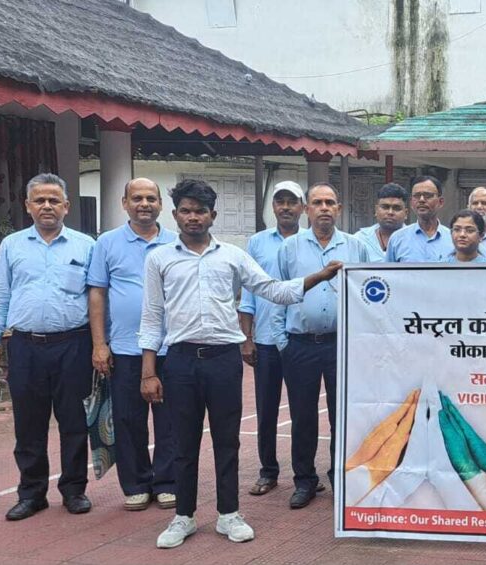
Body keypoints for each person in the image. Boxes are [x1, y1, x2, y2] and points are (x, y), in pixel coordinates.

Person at [140, 179, 341, 549]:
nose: (193, 217)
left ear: (212, 215)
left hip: (223, 360)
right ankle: (183, 516)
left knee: (227, 441)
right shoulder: (159, 259)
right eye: (186, 211)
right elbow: (152, 317)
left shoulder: (232, 255)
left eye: (200, 211)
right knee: (182, 441)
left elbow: (273, 289)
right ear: (176, 215)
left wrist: (319, 277)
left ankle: (228, 514)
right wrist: (149, 372)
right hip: (180, 361)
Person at [0, 173, 96, 521]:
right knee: (29, 423)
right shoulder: (12, 245)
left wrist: (100, 345)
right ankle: (32, 494)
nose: (47, 206)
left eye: (54, 200)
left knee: (74, 421)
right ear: (28, 206)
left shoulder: (86, 246)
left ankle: (74, 490)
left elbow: (96, 298)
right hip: (25, 347)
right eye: (40, 200)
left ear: (66, 206)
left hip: (74, 345)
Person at [277, 183, 371, 509]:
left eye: (330, 202)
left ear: (339, 208)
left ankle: (340, 479)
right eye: (317, 202)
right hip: (300, 345)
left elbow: (368, 293)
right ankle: (304, 481)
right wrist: (282, 342)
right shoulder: (289, 248)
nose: (324, 208)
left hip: (340, 346)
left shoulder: (356, 247)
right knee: (302, 417)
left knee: (341, 417)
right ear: (307, 210)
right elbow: (278, 294)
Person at [88, 178, 178, 511]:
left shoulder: (176, 242)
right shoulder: (107, 243)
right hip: (125, 349)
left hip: (170, 347)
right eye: (137, 198)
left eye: (151, 198)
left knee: (170, 420)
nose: (144, 204)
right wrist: (100, 344)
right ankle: (137, 483)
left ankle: (168, 482)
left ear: (160, 205)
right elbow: (97, 293)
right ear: (124, 203)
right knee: (127, 420)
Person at [237, 181, 305, 497]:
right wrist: (246, 338)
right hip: (265, 340)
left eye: (292, 201)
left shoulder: (311, 241)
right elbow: (248, 293)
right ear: (273, 206)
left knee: (302, 411)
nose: (286, 207)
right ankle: (268, 471)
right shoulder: (257, 243)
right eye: (280, 201)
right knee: (266, 410)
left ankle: (305, 473)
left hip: (300, 339)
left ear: (302, 207)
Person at [386, 175, 452, 262]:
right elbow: (388, 270)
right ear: (411, 203)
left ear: (440, 202)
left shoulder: (453, 239)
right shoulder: (397, 239)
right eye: (417, 196)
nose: (421, 200)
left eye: (428, 195)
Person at [355, 182, 409, 261]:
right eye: (385, 207)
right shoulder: (359, 239)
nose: (390, 212)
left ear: (406, 213)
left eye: (396, 208)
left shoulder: (415, 240)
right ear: (376, 210)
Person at [467, 186, 486, 258]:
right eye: (475, 203)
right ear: (468, 209)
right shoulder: (458, 236)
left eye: (484, 203)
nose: (479, 207)